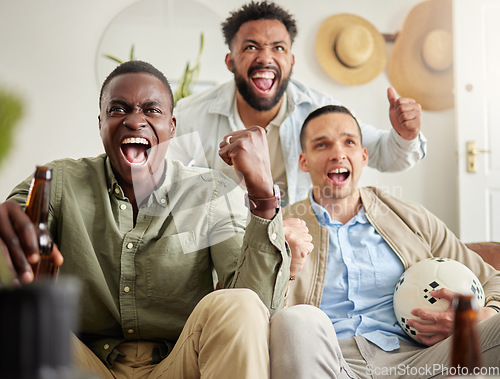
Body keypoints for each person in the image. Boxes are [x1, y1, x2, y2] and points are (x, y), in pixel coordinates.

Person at [0, 60, 309, 379]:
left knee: (240, 304)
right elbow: (16, 220)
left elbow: (256, 311)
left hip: (179, 363)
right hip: (80, 365)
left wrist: (262, 197)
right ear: (101, 123)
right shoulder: (59, 181)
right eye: (118, 109)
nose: (135, 121)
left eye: (151, 110)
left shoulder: (210, 192)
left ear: (172, 126)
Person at [270, 105, 500, 378]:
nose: (338, 153)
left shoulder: (409, 216)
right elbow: (256, 308)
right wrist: (289, 268)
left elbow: (492, 278)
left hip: (421, 359)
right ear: (303, 161)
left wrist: (481, 314)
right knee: (296, 320)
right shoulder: (281, 228)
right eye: (322, 145)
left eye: (349, 142)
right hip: (332, 363)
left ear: (363, 155)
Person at [173, 1, 427, 206]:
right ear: (230, 61)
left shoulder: (321, 111)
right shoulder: (189, 115)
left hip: (302, 250)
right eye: (251, 47)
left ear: (291, 61)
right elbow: (162, 189)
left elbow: (384, 155)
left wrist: (405, 134)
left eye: (278, 48)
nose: (266, 58)